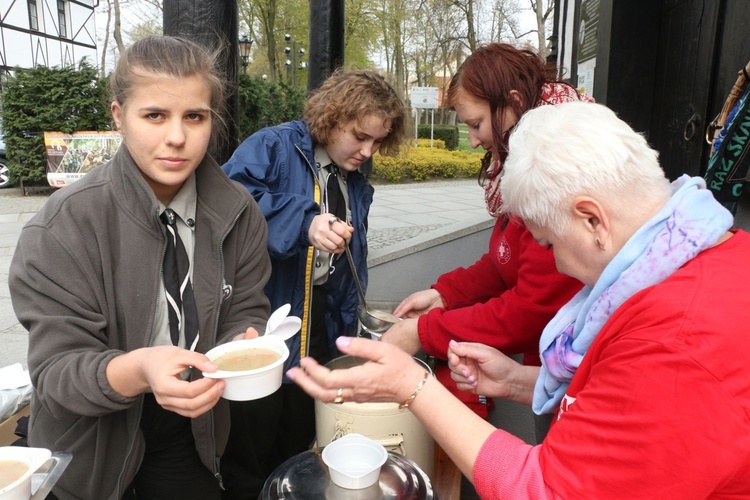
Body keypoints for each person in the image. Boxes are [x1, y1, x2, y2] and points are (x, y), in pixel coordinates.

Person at [288, 102, 750, 498]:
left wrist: (412, 385)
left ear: (593, 220)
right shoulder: (704, 254)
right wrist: (517, 381)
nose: (559, 267)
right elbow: (616, 401)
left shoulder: (675, 346)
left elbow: (543, 489)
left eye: (548, 244)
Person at [9, 36, 272, 500]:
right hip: (91, 445)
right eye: (155, 115)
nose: (177, 137)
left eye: (195, 116)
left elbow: (246, 305)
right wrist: (140, 369)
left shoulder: (238, 211)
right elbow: (56, 372)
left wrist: (242, 342)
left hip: (196, 429)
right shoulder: (62, 227)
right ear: (118, 115)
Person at [221, 69, 409, 497]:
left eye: (378, 141)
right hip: (267, 315)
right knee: (252, 443)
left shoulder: (352, 176)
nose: (368, 150)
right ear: (332, 117)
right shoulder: (271, 145)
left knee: (301, 433)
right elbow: (227, 205)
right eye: (360, 136)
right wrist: (302, 222)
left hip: (323, 318)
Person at [383, 42, 588, 426]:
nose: (474, 141)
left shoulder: (558, 173)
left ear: (512, 103)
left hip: (580, 375)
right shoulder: (523, 162)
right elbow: (505, 262)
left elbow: (532, 308)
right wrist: (446, 293)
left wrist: (425, 333)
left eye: (475, 124)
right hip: (552, 367)